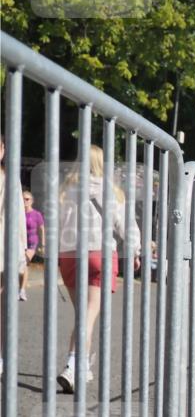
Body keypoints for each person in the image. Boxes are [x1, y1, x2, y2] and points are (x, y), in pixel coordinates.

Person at [57, 145, 140, 393]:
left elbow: (56, 224)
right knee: (88, 315)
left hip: (69, 254)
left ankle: (82, 366)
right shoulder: (112, 192)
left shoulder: (65, 191)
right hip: (99, 254)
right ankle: (73, 365)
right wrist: (135, 250)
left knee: (83, 315)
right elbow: (126, 225)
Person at [0, 135, 28, 378]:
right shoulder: (10, 181)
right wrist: (22, 253)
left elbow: (19, 219)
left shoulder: (11, 180)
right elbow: (18, 220)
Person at [20, 190, 44, 301]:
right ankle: (19, 288)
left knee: (24, 262)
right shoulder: (18, 213)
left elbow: (41, 229)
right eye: (23, 198)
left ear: (32, 201)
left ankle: (22, 291)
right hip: (20, 242)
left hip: (32, 242)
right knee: (21, 266)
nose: (25, 201)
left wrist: (43, 244)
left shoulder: (36, 214)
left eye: (27, 199)